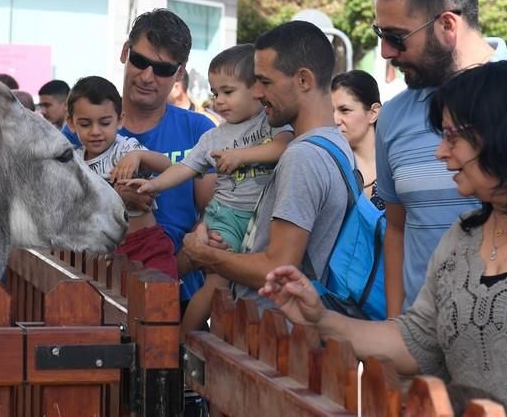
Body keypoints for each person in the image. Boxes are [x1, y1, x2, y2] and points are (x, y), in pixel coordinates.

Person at [259, 61, 507, 417]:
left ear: (502, 134)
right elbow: (414, 341)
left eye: (452, 138)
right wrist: (319, 317)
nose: (440, 152)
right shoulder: (461, 240)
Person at [371, 0, 507, 316]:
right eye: (381, 35)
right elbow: (396, 229)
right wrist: (396, 324)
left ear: (447, 25)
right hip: (417, 347)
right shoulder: (393, 117)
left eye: (396, 37)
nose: (386, 52)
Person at [123, 44, 293, 336]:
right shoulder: (212, 136)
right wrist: (153, 184)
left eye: (228, 92)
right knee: (216, 284)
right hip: (225, 217)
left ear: (256, 88)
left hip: (264, 221)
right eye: (215, 93)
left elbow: (284, 146)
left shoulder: (271, 123)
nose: (220, 101)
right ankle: (181, 345)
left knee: (257, 290)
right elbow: (185, 168)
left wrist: (242, 156)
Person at [182, 21, 352, 310]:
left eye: (265, 81)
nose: (257, 92)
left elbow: (276, 267)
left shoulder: (303, 157)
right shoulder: (337, 143)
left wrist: (204, 254)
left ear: (303, 80)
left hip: (273, 336)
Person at [62, 9, 216, 315]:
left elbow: (215, 216)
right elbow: (59, 208)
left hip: (176, 292)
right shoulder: (76, 133)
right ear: (124, 52)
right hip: (95, 289)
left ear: (179, 73)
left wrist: (166, 270)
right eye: (140, 61)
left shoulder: (199, 130)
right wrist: (117, 197)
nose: (147, 76)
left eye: (162, 69)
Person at [66, 75, 177, 278]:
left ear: (120, 120)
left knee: (160, 299)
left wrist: (139, 155)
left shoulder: (125, 149)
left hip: (146, 244)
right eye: (85, 124)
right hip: (101, 252)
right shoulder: (74, 162)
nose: (95, 131)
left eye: (105, 122)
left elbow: (169, 167)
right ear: (71, 124)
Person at [331, 70, 384, 210]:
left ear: (373, 113)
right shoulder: (328, 164)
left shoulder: (395, 164)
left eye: (345, 110)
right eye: (331, 111)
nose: (335, 120)